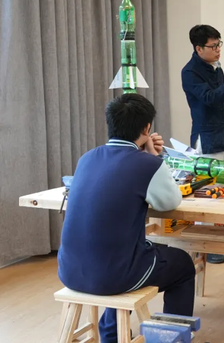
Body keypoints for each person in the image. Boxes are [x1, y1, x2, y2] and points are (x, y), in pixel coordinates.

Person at [58, 94, 194, 343]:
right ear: (147, 128)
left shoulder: (86, 158)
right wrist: (153, 157)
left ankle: (111, 335)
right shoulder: (147, 164)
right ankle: (171, 339)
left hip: (69, 270)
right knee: (183, 264)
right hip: (113, 275)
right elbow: (170, 201)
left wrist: (147, 156)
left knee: (120, 254)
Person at [181, 25, 224, 264]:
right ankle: (207, 245)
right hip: (207, 139)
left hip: (223, 135)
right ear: (198, 48)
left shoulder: (215, 67)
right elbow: (210, 98)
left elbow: (221, 97)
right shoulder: (190, 72)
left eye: (219, 44)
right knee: (207, 193)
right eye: (213, 46)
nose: (218, 49)